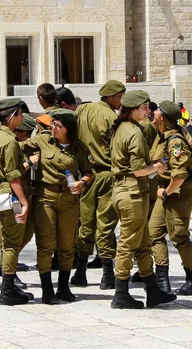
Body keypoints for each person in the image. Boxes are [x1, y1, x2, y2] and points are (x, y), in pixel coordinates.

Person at [110, 90, 176, 309]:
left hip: (125, 190)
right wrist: (156, 166)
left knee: (143, 241)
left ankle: (152, 289)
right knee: (128, 243)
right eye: (145, 107)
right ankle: (120, 293)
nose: (148, 111)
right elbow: (139, 170)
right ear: (133, 110)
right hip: (132, 192)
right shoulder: (133, 132)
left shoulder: (122, 128)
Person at [23, 110, 93, 304]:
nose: (53, 128)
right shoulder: (42, 141)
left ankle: (63, 287)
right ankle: (47, 290)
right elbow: (18, 146)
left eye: (58, 125)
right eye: (52, 124)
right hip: (45, 196)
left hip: (69, 199)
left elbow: (88, 172)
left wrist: (82, 183)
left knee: (67, 244)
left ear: (68, 129)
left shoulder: (78, 148)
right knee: (46, 244)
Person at [73, 80, 125, 289]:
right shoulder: (112, 117)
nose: (121, 101)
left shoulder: (83, 109)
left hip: (86, 175)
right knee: (105, 224)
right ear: (111, 97)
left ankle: (81, 272)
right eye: (120, 97)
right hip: (106, 175)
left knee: (86, 224)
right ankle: (107, 275)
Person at [148, 100, 192, 295]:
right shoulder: (161, 137)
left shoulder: (175, 140)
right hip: (166, 191)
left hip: (178, 192)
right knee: (154, 233)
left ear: (164, 117)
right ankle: (162, 279)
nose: (154, 113)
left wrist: (166, 192)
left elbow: (178, 175)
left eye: (158, 111)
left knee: (179, 236)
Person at [0, 98, 33, 306]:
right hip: (11, 193)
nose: (22, 119)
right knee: (12, 242)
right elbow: (13, 176)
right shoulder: (10, 141)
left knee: (6, 239)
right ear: (13, 116)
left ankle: (9, 286)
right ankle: (7, 289)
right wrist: (24, 202)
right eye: (21, 115)